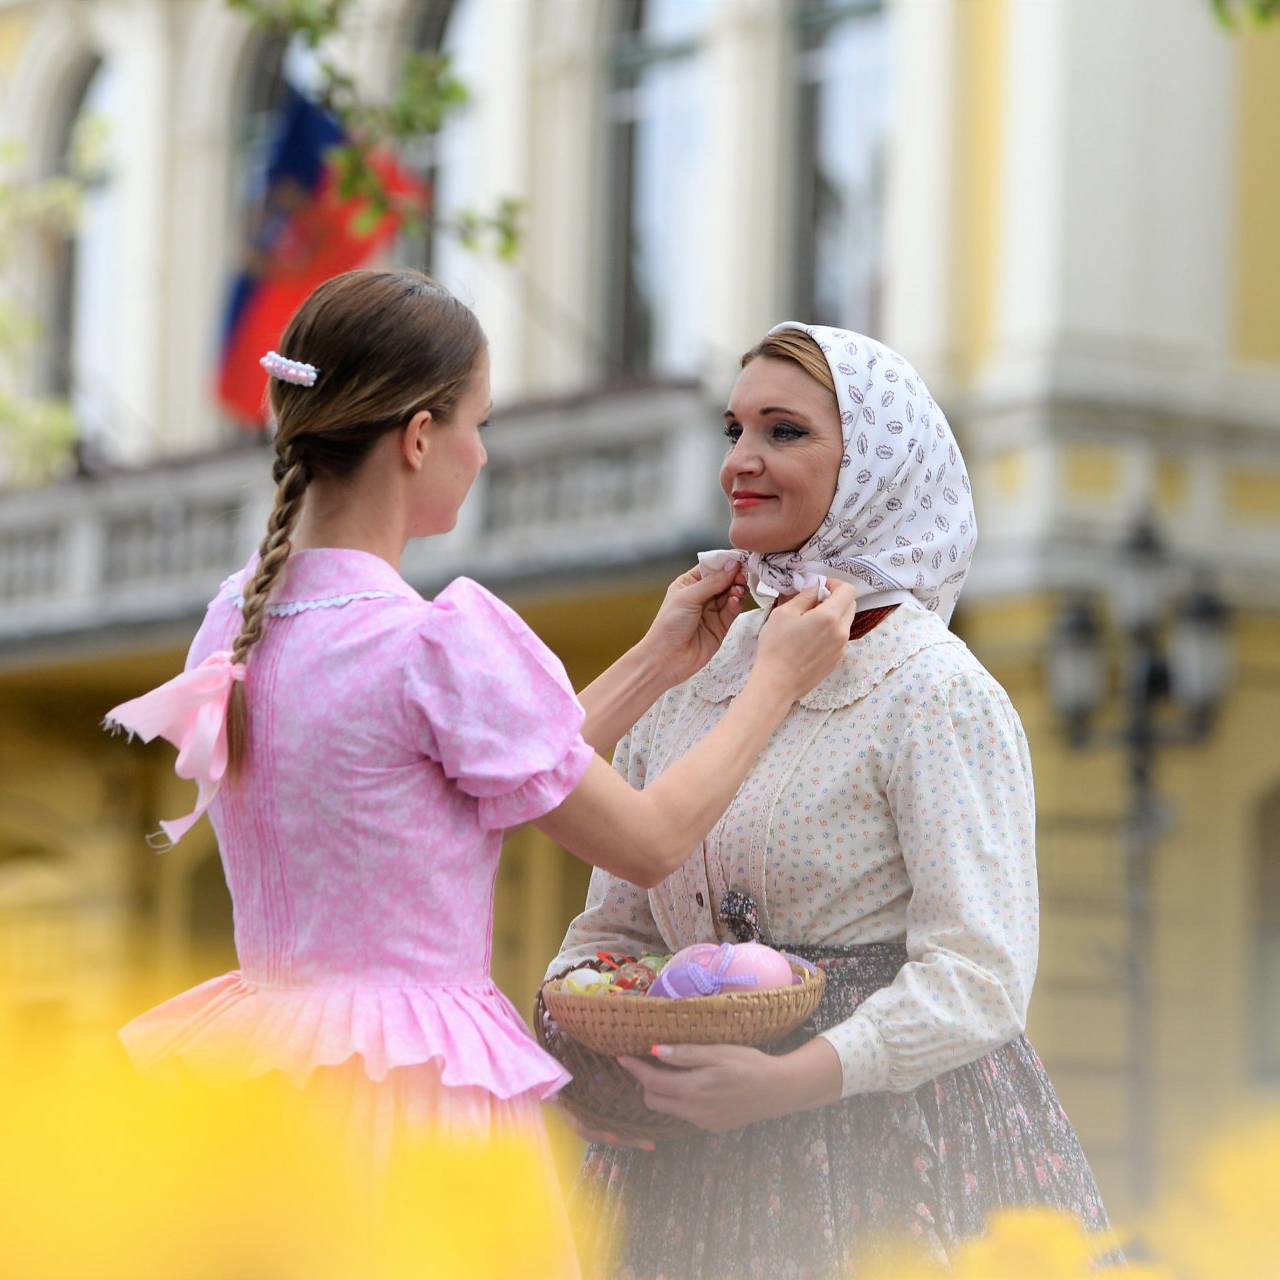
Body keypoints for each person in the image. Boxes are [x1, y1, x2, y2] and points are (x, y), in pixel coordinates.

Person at [105, 272, 854, 1172]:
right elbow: (648, 840)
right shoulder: (435, 642)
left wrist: (658, 660)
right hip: (407, 1092)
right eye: (480, 425)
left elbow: (461, 769)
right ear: (421, 437)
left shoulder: (237, 619)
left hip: (265, 1075)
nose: (484, 454)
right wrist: (775, 680)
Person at [542, 323, 1118, 1278]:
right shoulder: (695, 671)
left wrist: (788, 1082)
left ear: (876, 468)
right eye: (734, 431)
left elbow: (980, 975)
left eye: (784, 432)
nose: (741, 462)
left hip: (888, 1164)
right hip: (676, 1168)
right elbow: (613, 928)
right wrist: (590, 1052)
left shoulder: (935, 690)